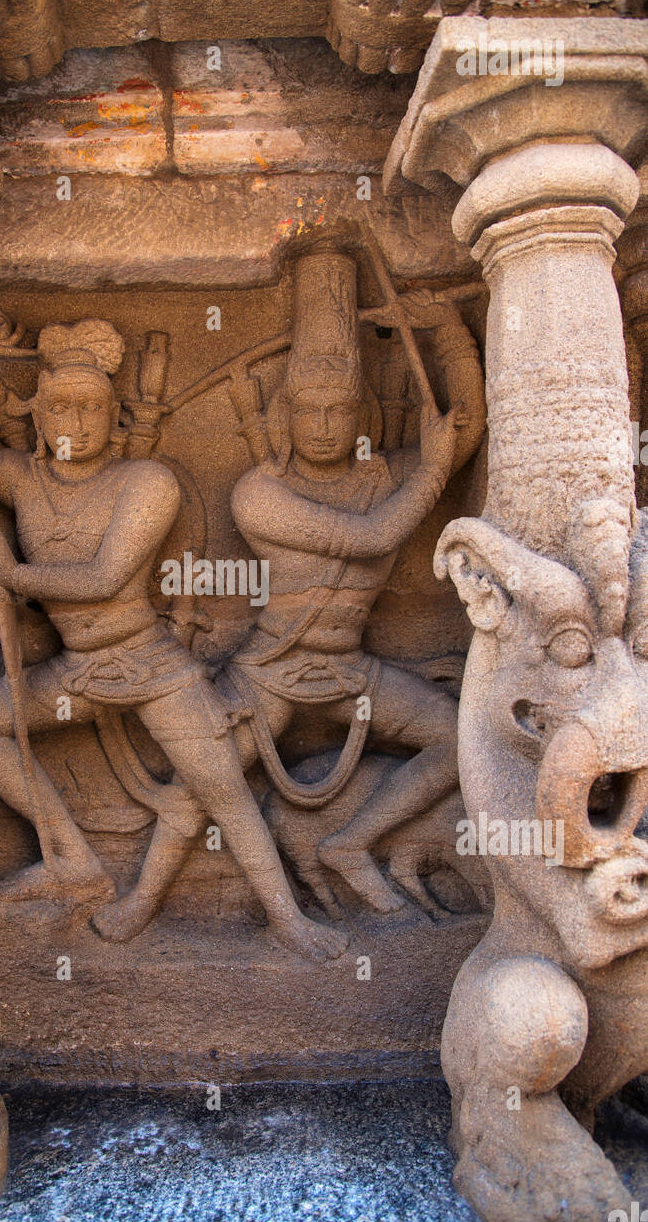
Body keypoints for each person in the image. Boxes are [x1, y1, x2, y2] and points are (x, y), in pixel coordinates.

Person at [0, 312, 348, 961]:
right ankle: (70, 859)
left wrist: (11, 572)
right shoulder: (20, 477)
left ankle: (289, 920)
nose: (77, 422)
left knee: (223, 790)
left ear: (116, 418)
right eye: (60, 407)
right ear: (37, 418)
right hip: (74, 671)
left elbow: (104, 575)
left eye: (93, 408)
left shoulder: (147, 482)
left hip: (147, 663)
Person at [93, 290, 485, 940]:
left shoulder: (378, 475)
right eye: (309, 411)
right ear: (286, 415)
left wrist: (447, 331)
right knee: (203, 781)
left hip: (350, 669)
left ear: (358, 412)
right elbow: (368, 539)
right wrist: (431, 473)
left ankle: (350, 843)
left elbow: (464, 427)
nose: (325, 425)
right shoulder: (260, 493)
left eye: (338, 411)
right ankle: (142, 901)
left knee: (455, 739)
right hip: (272, 669)